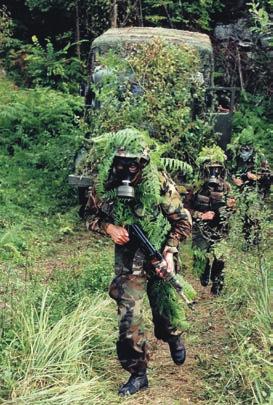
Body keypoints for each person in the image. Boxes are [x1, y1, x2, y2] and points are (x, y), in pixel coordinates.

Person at [83, 129, 192, 396]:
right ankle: (138, 373)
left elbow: (183, 221)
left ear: (143, 162)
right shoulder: (105, 183)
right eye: (122, 162)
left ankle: (173, 335)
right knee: (128, 320)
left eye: (134, 163)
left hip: (158, 258)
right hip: (129, 264)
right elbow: (87, 215)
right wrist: (108, 227)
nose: (128, 169)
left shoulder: (159, 183)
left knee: (165, 313)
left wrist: (169, 251)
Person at [185, 146, 235, 295]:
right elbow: (185, 210)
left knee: (220, 258)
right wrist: (201, 215)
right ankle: (204, 271)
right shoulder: (196, 187)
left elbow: (231, 210)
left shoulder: (226, 187)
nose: (214, 172)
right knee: (200, 256)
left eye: (217, 168)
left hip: (221, 229)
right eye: (211, 168)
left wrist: (231, 207)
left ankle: (217, 282)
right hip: (201, 229)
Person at [229, 134, 272, 246]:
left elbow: (269, 177)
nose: (245, 151)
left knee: (255, 216)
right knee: (245, 215)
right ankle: (247, 240)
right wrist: (235, 179)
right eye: (243, 149)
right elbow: (232, 171)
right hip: (243, 190)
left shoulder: (260, 158)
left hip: (258, 191)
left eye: (248, 149)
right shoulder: (237, 157)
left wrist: (255, 177)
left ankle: (256, 241)